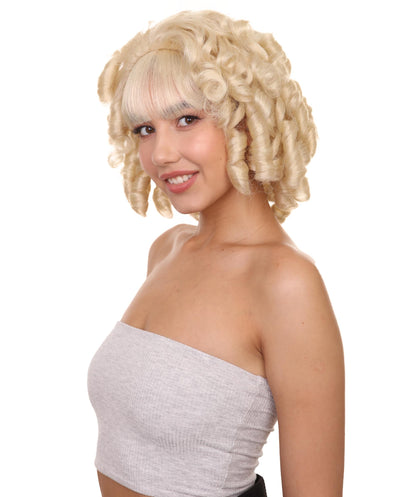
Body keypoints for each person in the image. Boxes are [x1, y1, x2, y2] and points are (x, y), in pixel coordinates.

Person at [88, 10, 345, 497]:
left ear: (246, 120)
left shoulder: (285, 282)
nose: (161, 154)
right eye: (144, 129)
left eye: (187, 119)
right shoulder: (167, 250)